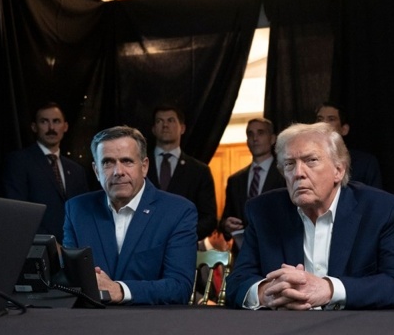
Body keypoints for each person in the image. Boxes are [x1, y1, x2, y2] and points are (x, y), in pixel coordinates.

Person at [226, 122, 394, 310]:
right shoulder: (263, 211)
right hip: (284, 326)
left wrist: (329, 289)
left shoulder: (380, 210)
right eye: (289, 164)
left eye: (311, 160)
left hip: (354, 328)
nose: (298, 173)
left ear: (339, 170)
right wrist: (268, 293)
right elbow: (237, 283)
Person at [63, 126, 197, 305]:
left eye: (127, 161)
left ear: (144, 166)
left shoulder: (178, 211)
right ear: (96, 171)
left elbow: (180, 288)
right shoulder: (76, 209)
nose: (118, 171)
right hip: (89, 318)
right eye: (108, 162)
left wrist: (120, 290)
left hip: (151, 319)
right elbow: (68, 279)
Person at [2, 102, 89, 243]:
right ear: (34, 127)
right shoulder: (18, 161)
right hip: (35, 246)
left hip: (73, 247)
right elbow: (17, 210)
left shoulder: (76, 170)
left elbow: (83, 211)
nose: (51, 128)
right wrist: (50, 244)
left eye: (56, 121)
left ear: (65, 126)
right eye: (44, 121)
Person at [146, 105, 217, 240]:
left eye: (171, 120)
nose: (165, 125)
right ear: (153, 129)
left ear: (182, 128)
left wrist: (183, 236)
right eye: (159, 121)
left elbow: (209, 218)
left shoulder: (199, 171)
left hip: (183, 246)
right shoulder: (138, 167)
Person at [220, 117, 284, 248]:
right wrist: (226, 225)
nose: (255, 138)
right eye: (250, 134)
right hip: (243, 251)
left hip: (276, 249)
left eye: (260, 133)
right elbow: (226, 218)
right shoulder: (235, 180)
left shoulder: (285, 175)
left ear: (272, 139)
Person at [315, 102, 383, 188]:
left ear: (344, 129)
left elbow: (374, 195)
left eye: (331, 119)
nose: (323, 124)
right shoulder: (306, 160)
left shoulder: (365, 163)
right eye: (319, 119)